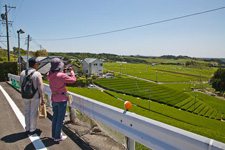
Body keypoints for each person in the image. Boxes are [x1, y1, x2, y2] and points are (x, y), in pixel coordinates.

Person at [47, 58, 76, 142]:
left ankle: (54, 135)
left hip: (54, 98)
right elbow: (73, 80)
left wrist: (63, 71)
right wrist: (71, 72)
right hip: (62, 99)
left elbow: (57, 76)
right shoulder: (61, 76)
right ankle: (57, 137)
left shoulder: (49, 74)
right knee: (60, 119)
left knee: (55, 118)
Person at [20, 57, 44, 134]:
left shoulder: (22, 73)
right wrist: (42, 97)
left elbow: (21, 84)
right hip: (35, 96)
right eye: (38, 64)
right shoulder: (37, 74)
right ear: (35, 64)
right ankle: (32, 129)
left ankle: (27, 128)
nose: (38, 65)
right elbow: (40, 86)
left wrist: (23, 93)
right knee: (33, 112)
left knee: (27, 111)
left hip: (25, 95)